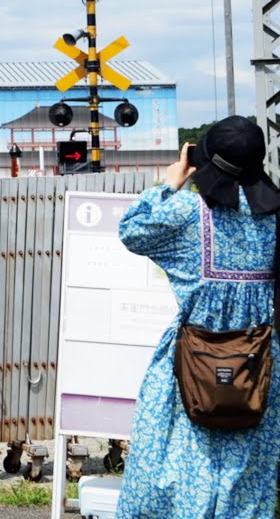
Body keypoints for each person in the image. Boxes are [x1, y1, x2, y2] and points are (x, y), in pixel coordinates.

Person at [115, 116, 280, 519]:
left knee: (178, 465)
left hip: (192, 361)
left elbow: (131, 230)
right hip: (257, 365)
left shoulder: (189, 213)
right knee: (246, 479)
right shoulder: (274, 217)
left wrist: (173, 180)